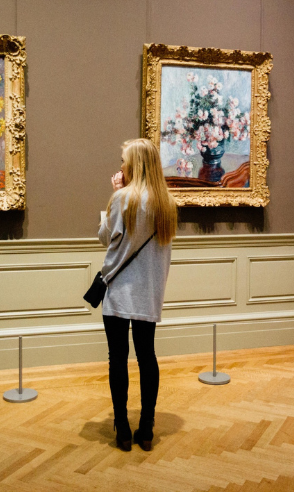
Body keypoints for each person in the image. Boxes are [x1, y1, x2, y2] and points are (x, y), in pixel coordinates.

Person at [98, 138, 178, 452]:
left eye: (124, 161)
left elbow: (105, 238)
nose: (120, 167)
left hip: (119, 290)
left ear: (135, 165)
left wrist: (113, 195)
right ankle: (146, 427)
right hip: (150, 289)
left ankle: (122, 428)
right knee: (147, 357)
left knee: (117, 358)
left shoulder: (124, 199)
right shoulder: (167, 203)